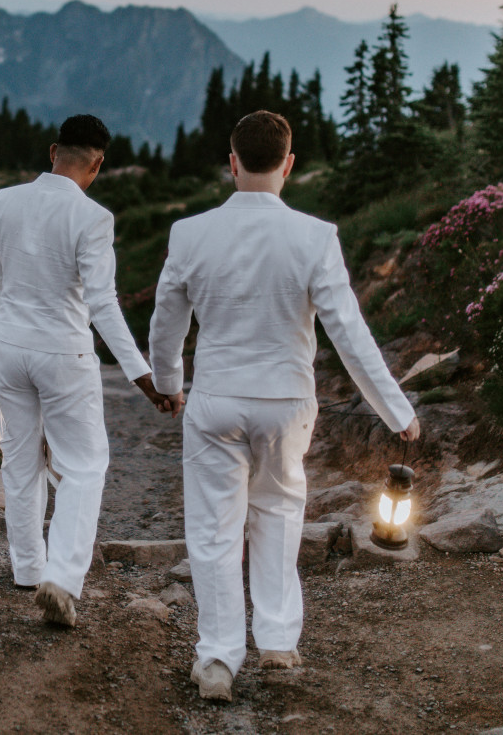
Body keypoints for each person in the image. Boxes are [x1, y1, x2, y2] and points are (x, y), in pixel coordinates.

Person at [147, 110, 421, 702]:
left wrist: (169, 383)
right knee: (277, 513)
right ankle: (276, 640)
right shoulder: (315, 235)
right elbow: (350, 334)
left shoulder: (189, 234)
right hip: (286, 403)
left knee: (215, 531)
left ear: (233, 163)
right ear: (289, 165)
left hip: (216, 399)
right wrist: (397, 412)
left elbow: (166, 322)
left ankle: (218, 658)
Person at [0, 114, 169, 627]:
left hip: (9, 348)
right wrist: (143, 376)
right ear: (97, 165)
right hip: (63, 355)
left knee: (19, 459)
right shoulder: (93, 218)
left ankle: (27, 569)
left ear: (53, 151)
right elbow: (103, 304)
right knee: (84, 465)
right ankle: (62, 576)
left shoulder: (3, 201)